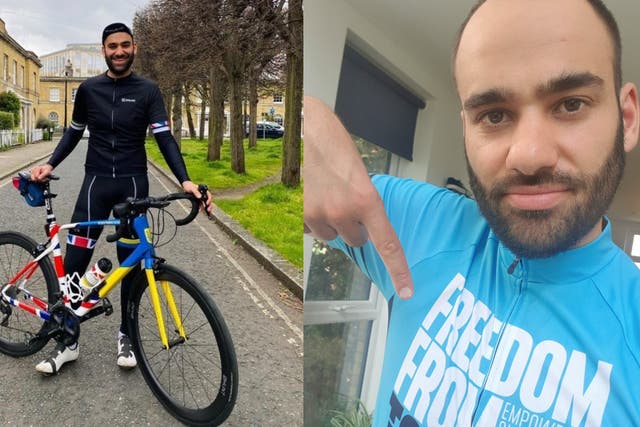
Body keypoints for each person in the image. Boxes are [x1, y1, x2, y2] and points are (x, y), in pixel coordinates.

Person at [304, 0, 640, 425]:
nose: (530, 156)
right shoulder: (418, 223)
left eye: (570, 104)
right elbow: (308, 197)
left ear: (626, 119)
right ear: (466, 128)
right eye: (494, 115)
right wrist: (306, 121)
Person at [30, 22, 212, 375]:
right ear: (104, 50)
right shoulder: (88, 90)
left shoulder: (148, 90)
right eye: (112, 46)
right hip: (95, 185)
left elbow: (164, 139)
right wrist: (49, 163)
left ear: (134, 48)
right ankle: (68, 340)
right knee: (75, 264)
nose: (118, 51)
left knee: (130, 266)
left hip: (132, 188)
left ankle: (126, 334)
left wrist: (185, 180)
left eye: (124, 45)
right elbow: (73, 133)